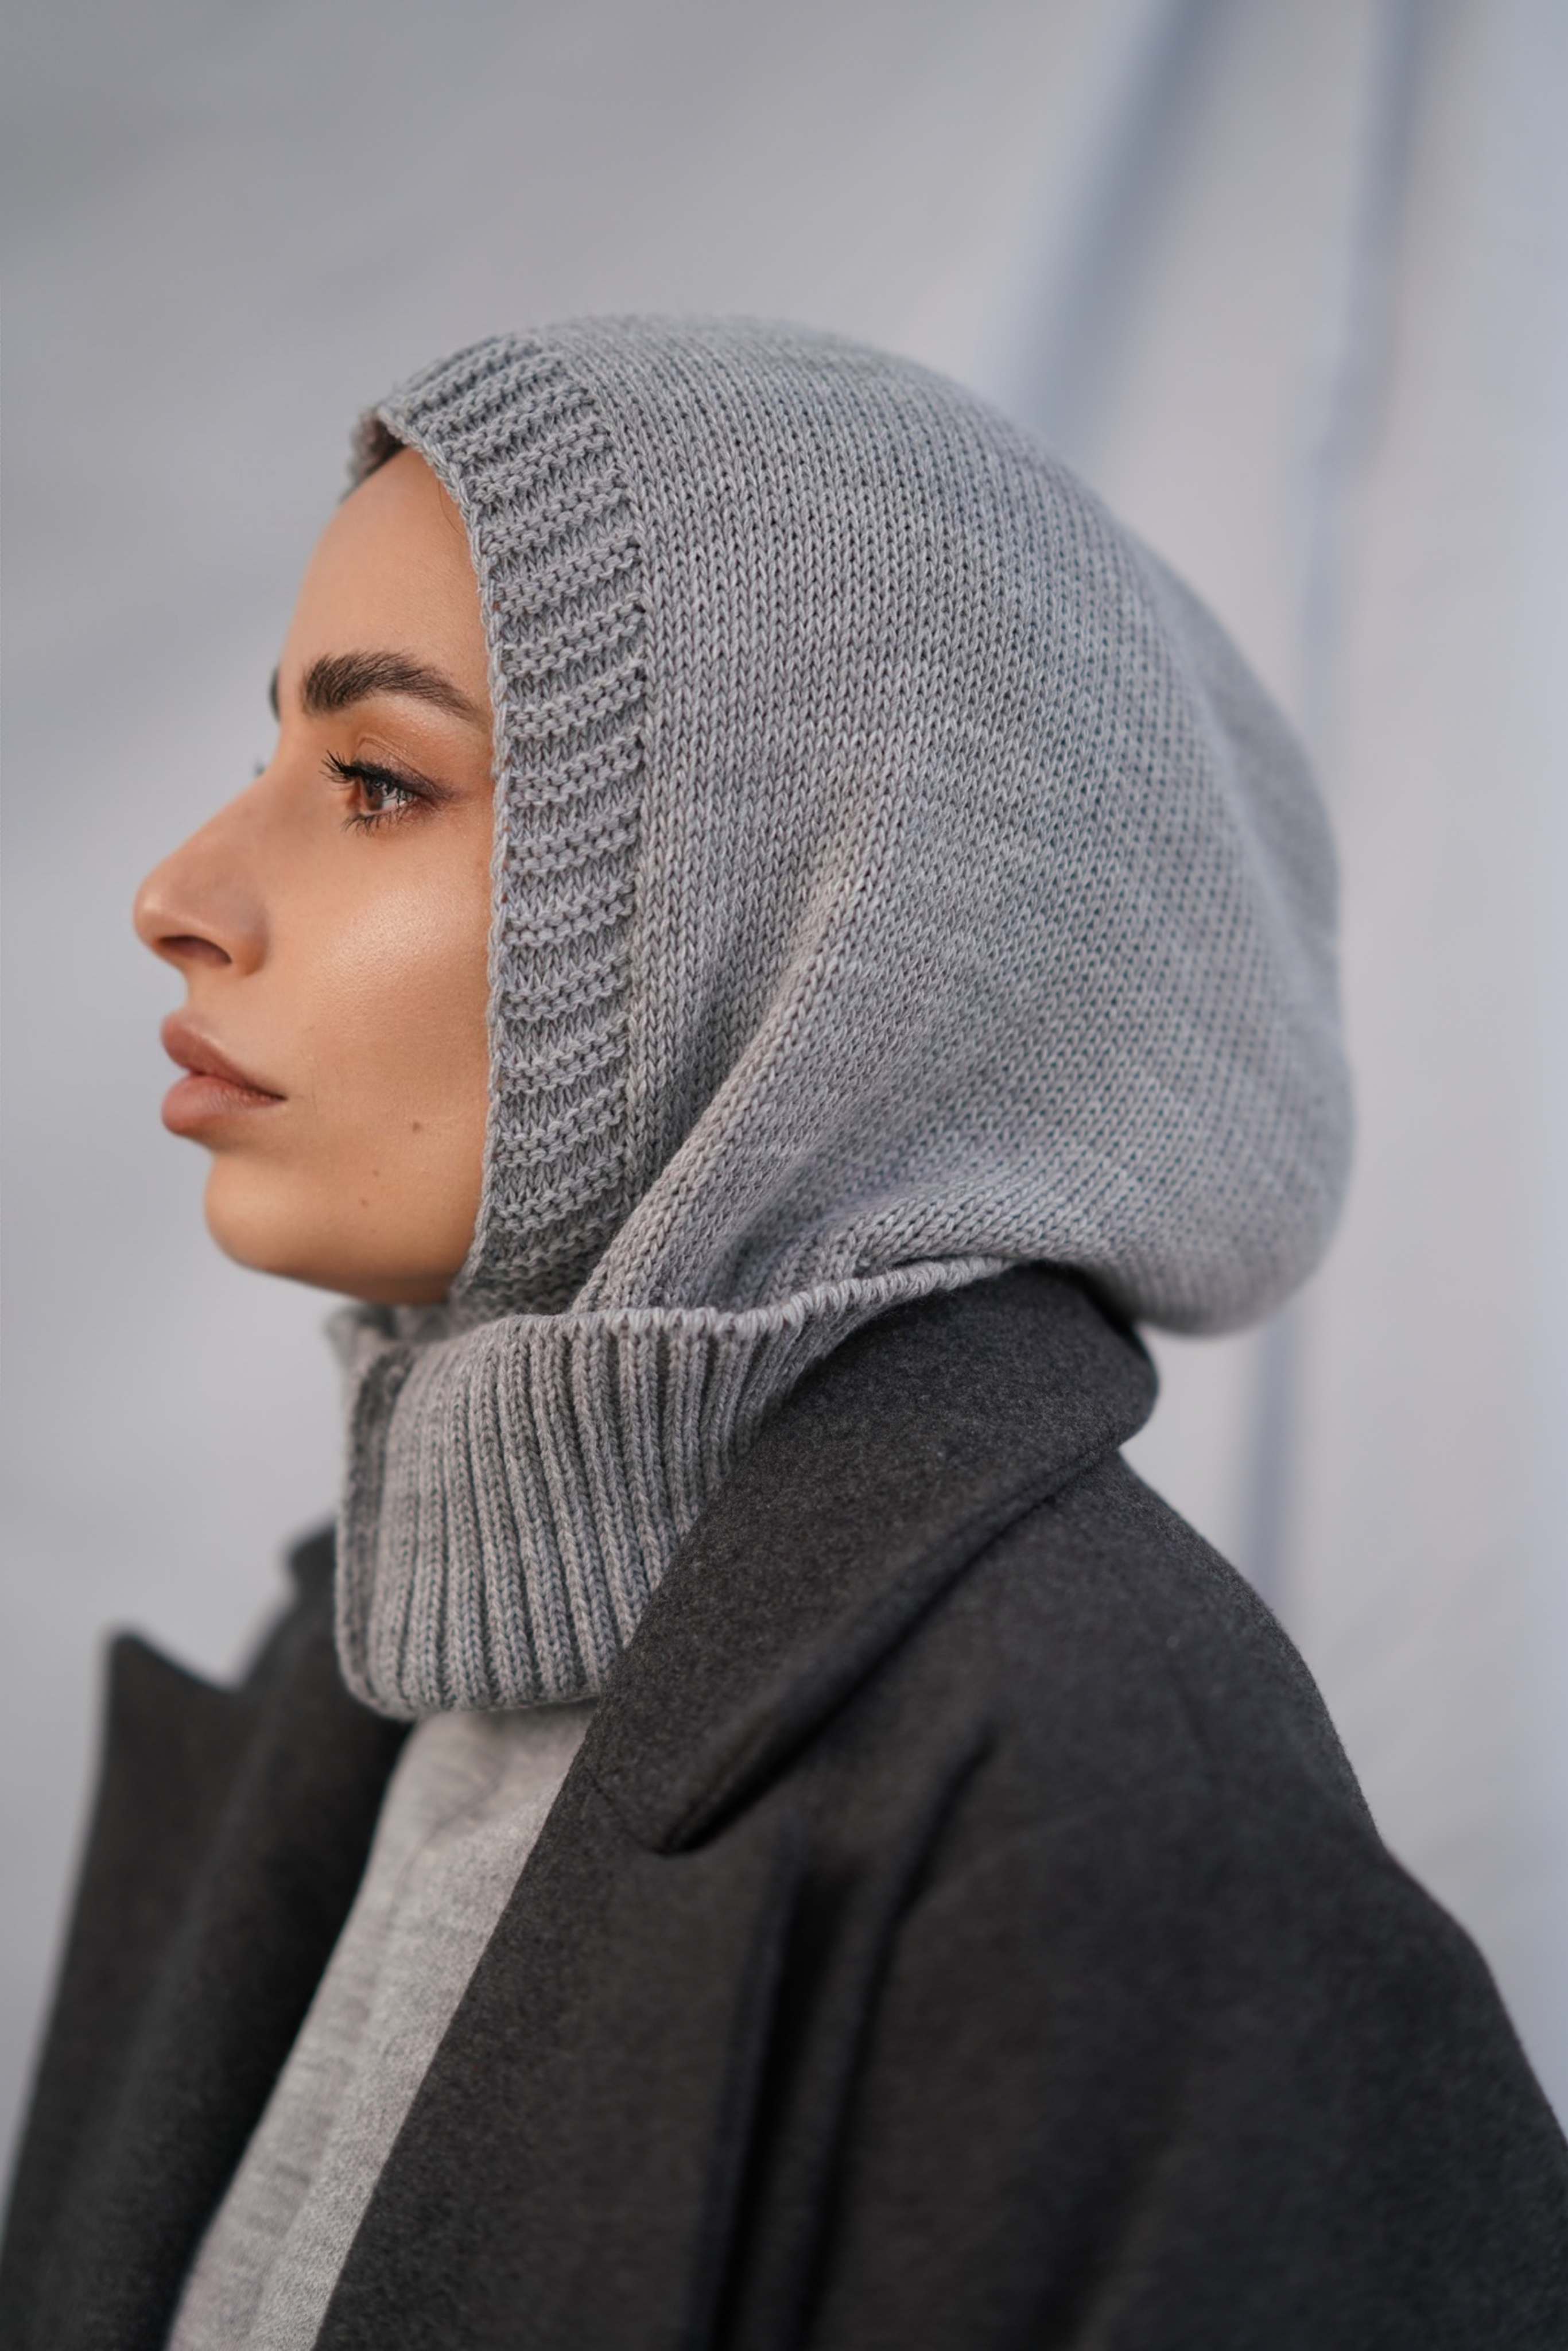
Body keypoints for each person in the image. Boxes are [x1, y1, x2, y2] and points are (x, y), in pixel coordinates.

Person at [2, 318, 1564, 2350]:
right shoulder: (374, 1653)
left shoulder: (1117, 1834)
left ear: (822, 921)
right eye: (269, 763)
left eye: (377, 781)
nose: (180, 891)